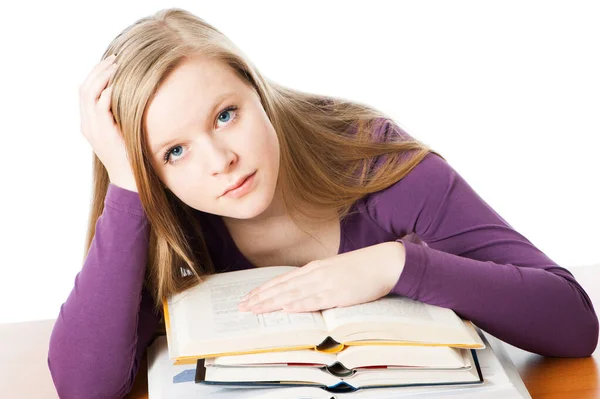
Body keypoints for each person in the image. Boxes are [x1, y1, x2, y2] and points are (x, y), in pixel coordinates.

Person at [47, 6, 598, 399]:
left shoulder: (368, 154)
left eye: (225, 115)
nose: (219, 161)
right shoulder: (164, 210)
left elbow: (572, 323)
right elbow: (83, 385)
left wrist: (400, 264)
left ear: (257, 91)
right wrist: (126, 187)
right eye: (173, 151)